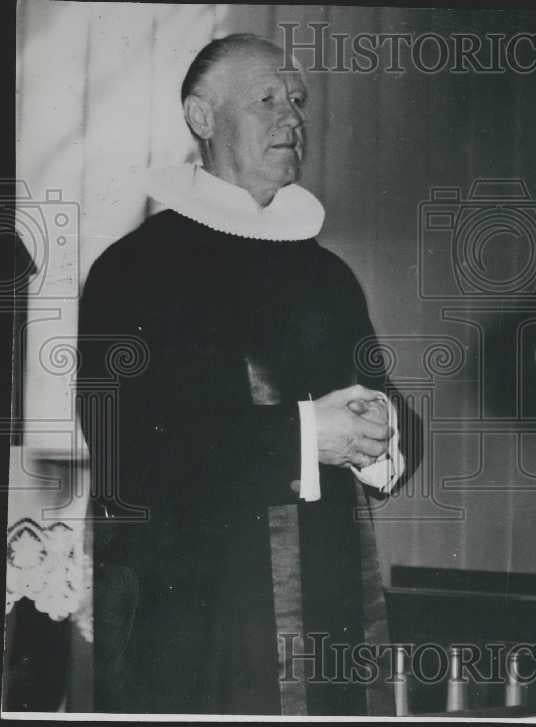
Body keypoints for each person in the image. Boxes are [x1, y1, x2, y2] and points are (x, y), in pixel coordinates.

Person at [78, 34, 412, 715]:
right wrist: (301, 436)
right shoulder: (134, 270)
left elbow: (389, 406)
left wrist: (385, 429)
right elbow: (131, 451)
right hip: (199, 634)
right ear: (201, 118)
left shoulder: (327, 275)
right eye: (266, 99)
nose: (292, 117)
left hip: (330, 621)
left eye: (297, 101)